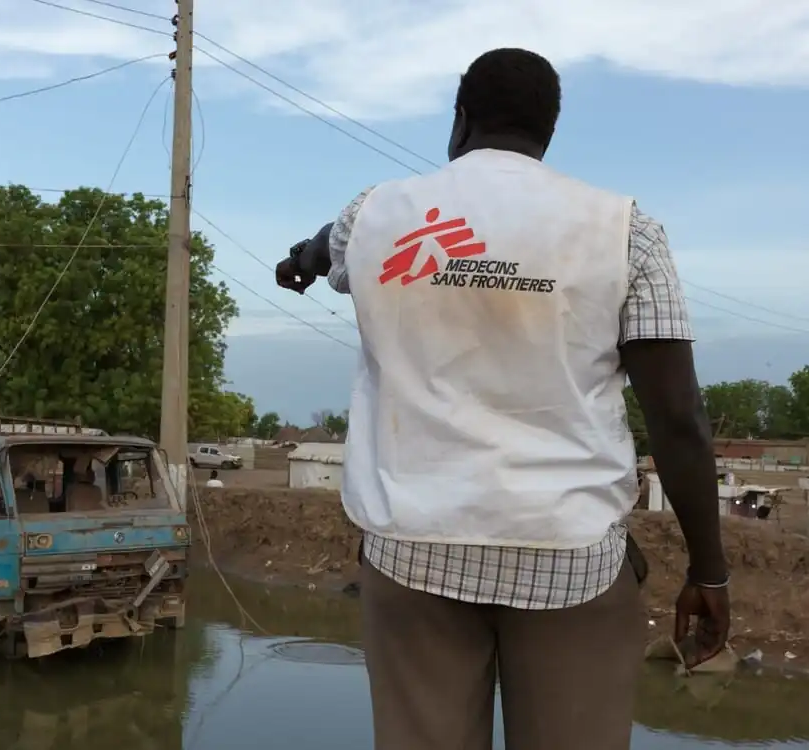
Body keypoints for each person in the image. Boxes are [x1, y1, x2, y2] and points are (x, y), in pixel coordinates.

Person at [275, 48, 729, 750]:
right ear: (549, 131)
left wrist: (296, 265)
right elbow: (678, 420)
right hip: (569, 555)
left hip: (410, 552)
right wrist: (708, 570)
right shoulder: (624, 231)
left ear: (460, 120)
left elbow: (320, 248)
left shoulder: (375, 214)